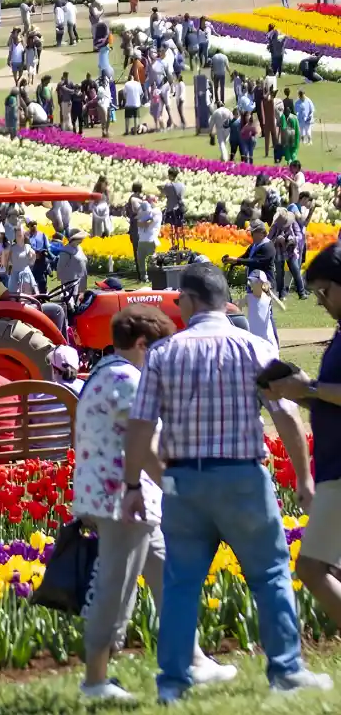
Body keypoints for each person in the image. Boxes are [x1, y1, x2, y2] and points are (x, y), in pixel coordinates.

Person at [122, 263, 327, 702]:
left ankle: (173, 682)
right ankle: (287, 672)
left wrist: (133, 485)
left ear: (191, 300)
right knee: (270, 574)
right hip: (242, 477)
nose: (178, 305)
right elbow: (287, 416)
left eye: (180, 299)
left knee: (181, 583)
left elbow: (140, 426)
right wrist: (304, 476)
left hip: (182, 481)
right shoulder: (255, 347)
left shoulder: (163, 354)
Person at [75, 304, 231, 701]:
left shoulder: (104, 372)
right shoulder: (130, 380)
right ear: (143, 344)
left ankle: (193, 659)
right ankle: (95, 681)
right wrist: (180, 490)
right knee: (116, 589)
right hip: (124, 502)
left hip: (118, 497)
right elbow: (144, 446)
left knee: (166, 576)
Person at [265, 243, 341, 632]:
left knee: (312, 569)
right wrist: (302, 393)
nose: (321, 301)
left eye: (324, 291)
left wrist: (310, 388)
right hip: (332, 465)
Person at [246, 269, 283, 349]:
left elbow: (282, 308)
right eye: (250, 281)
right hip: (254, 339)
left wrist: (271, 294)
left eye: (253, 281)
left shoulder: (267, 298)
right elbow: (235, 306)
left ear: (261, 283)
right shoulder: (248, 298)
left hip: (267, 339)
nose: (250, 283)